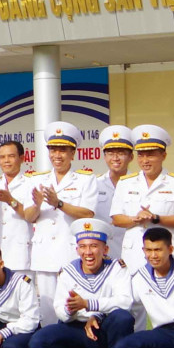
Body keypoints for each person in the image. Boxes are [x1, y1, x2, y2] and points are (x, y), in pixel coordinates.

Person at [25, 218, 133, 348]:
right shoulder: (68, 272)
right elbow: (60, 311)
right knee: (38, 342)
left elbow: (125, 302)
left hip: (103, 329)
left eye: (94, 246)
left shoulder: (117, 268)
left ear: (105, 249)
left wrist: (91, 307)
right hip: (76, 327)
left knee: (123, 318)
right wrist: (71, 309)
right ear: (77, 250)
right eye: (82, 247)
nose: (88, 252)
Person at [25, 121, 107, 326]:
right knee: (46, 309)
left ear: (73, 154)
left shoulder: (85, 179)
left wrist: (58, 203)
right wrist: (36, 205)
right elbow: (29, 217)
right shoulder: (37, 179)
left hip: (70, 251)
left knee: (72, 307)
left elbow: (88, 212)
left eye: (63, 150)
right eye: (53, 150)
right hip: (44, 253)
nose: (57, 155)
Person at [109, 125, 174, 263]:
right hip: (134, 253)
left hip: (164, 253)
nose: (145, 161)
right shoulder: (125, 183)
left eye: (150, 155)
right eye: (141, 155)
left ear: (163, 155)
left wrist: (154, 218)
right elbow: (116, 219)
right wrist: (135, 219)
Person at [0, 139, 36, 273]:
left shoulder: (31, 183)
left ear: (22, 158)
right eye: (2, 157)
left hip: (20, 252)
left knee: (23, 292)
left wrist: (10, 200)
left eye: (11, 156)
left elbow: (31, 217)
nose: (6, 161)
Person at [97, 126, 137, 260]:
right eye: (110, 153)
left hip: (132, 251)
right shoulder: (94, 184)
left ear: (131, 157)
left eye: (121, 153)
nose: (115, 158)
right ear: (104, 157)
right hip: (102, 253)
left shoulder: (139, 184)